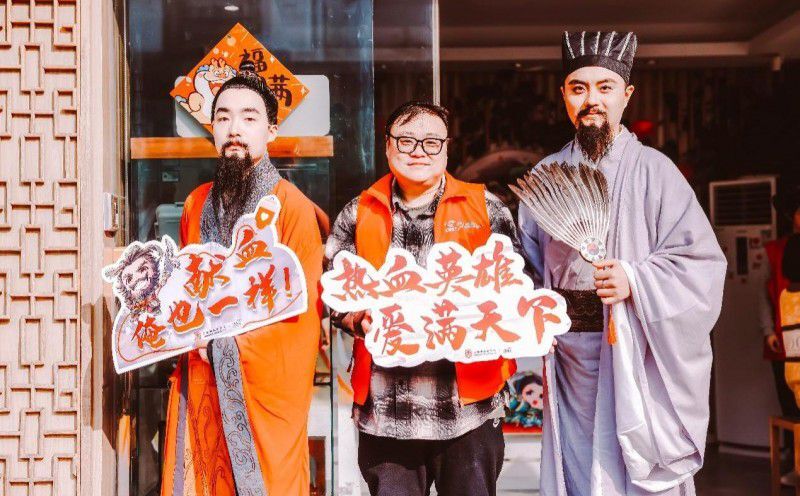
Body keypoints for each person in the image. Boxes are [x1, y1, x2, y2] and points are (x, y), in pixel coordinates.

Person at [517, 31, 727, 495]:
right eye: (578, 88)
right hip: (569, 356)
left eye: (605, 87)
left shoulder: (656, 171)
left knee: (635, 468)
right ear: (564, 96)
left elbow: (702, 264)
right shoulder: (545, 176)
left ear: (626, 95)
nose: (591, 100)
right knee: (576, 466)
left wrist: (635, 279)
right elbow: (526, 267)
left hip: (635, 344)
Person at [325, 101, 520, 496]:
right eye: (406, 140)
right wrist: (357, 317)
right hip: (386, 410)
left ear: (446, 149)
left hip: (469, 409)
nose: (418, 151)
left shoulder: (486, 209)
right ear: (387, 145)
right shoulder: (358, 213)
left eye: (432, 142)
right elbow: (333, 290)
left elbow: (516, 282)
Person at [160, 61, 323, 495]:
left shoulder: (292, 207)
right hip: (202, 377)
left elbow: (303, 318)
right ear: (213, 129)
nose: (235, 129)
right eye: (223, 117)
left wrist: (226, 347)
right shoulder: (196, 203)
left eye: (249, 118)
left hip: (262, 387)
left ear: (271, 131)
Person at [760, 183, 800, 484]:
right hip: (783, 339)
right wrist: (766, 330)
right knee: (790, 406)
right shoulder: (775, 250)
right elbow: (763, 294)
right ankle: (793, 461)